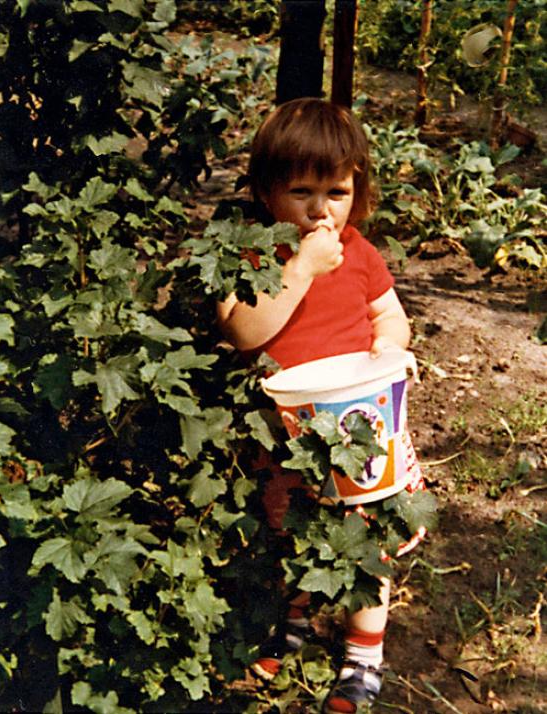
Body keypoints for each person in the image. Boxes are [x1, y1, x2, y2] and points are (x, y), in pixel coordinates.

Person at [216, 97, 425, 712]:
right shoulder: (257, 258)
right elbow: (245, 332)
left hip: (356, 427)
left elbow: (392, 317)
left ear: (356, 191)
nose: (319, 210)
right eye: (302, 191)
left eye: (335, 192)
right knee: (289, 530)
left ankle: (364, 653)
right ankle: (296, 623)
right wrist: (301, 269)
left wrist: (390, 350)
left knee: (365, 543)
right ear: (265, 193)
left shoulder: (361, 253)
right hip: (285, 434)